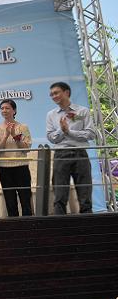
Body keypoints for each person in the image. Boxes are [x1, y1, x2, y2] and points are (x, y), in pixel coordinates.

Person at [46, 81, 95, 214]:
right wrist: (62, 130)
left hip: (80, 154)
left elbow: (90, 134)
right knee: (60, 195)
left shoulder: (82, 111)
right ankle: (61, 224)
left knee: (85, 194)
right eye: (51, 94)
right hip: (61, 155)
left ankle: (88, 223)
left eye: (56, 93)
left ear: (66, 92)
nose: (53, 96)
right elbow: (51, 137)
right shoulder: (51, 114)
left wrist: (69, 132)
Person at [0, 99, 33, 216]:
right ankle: (14, 225)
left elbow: (26, 148)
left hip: (21, 167)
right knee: (10, 202)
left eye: (7, 108)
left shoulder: (23, 127)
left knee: (25, 200)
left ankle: (28, 224)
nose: (4, 110)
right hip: (4, 168)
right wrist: (5, 136)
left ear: (14, 111)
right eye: (2, 108)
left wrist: (15, 135)